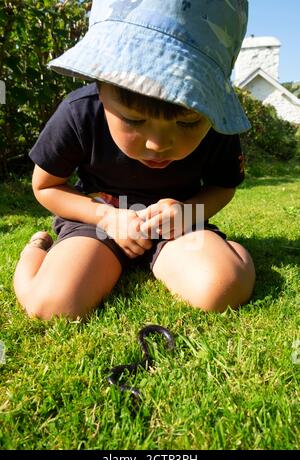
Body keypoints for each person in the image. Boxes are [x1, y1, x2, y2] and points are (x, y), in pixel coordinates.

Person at [13, 0, 255, 320]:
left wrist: (188, 213)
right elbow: (46, 187)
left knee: (223, 287)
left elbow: (223, 186)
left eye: (187, 123)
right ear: (99, 85)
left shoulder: (215, 122)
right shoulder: (78, 112)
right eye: (134, 121)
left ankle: (226, 253)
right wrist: (106, 218)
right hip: (98, 223)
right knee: (51, 304)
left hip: (175, 227)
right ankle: (37, 247)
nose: (157, 144)